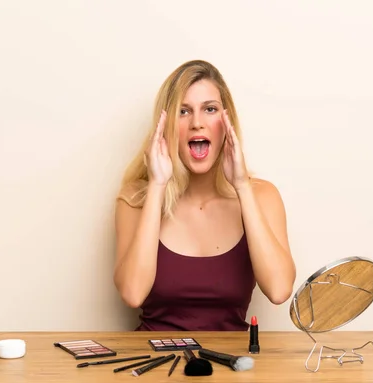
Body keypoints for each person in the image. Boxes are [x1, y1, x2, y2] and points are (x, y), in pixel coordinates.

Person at [113, 60, 296, 331]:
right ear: (166, 127)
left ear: (227, 121)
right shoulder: (136, 199)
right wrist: (157, 185)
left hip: (234, 368)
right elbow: (132, 293)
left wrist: (242, 186)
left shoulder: (262, 196)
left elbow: (279, 290)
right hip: (153, 364)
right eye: (183, 111)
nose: (197, 123)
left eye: (210, 109)